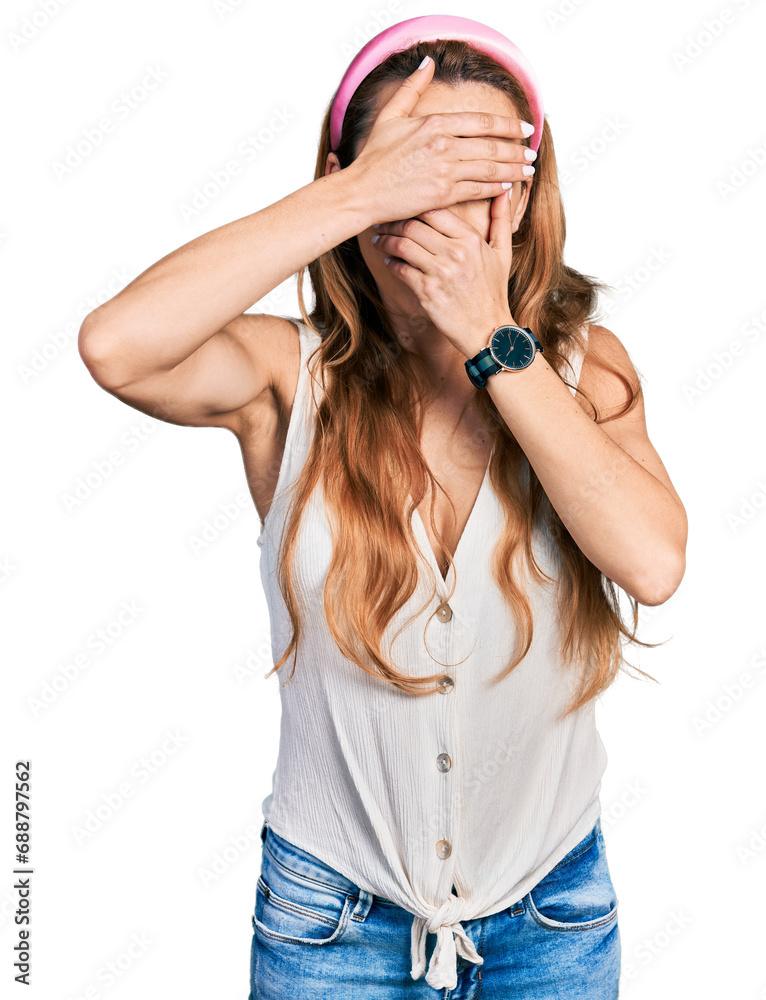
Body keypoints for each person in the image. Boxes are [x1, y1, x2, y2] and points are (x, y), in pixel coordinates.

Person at [78, 14, 687, 999]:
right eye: (416, 171)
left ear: (524, 195)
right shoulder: (288, 375)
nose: (441, 206)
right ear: (343, 186)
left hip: (551, 917)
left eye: (474, 173)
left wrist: (491, 335)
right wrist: (357, 191)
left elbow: (652, 563)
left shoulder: (582, 370)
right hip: (330, 922)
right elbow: (117, 346)